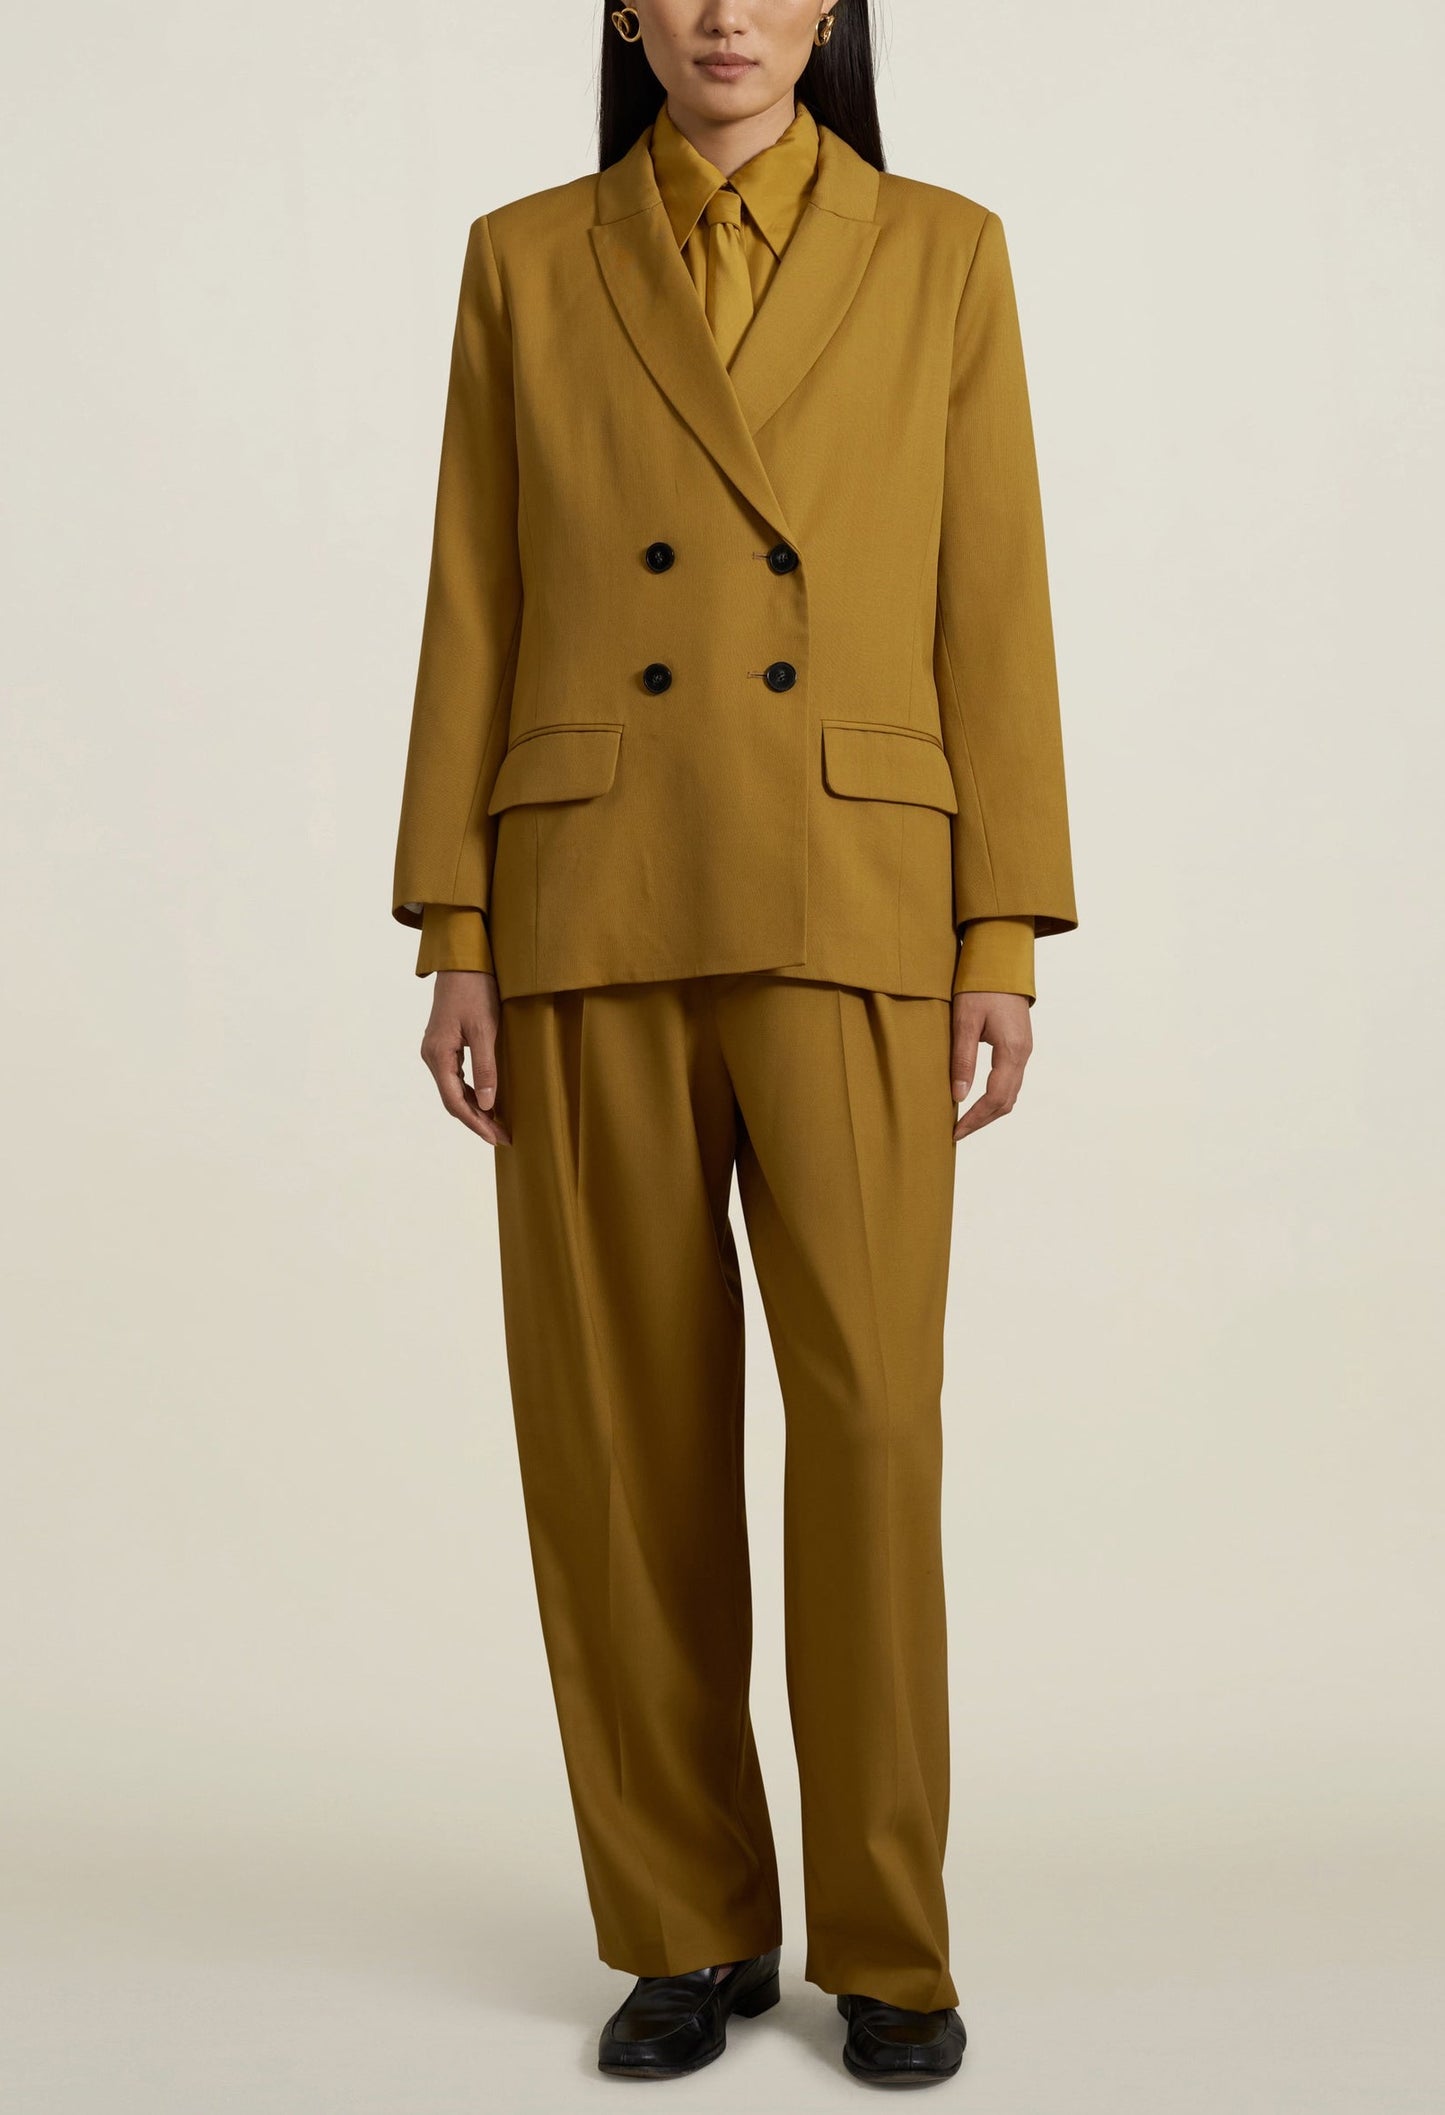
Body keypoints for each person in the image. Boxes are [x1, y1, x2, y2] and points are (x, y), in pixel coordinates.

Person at [391, 0, 1075, 2088]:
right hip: (587, 882)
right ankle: (684, 1925)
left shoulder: (942, 250)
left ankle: (887, 1939)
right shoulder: (526, 256)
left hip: (856, 887)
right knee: (622, 1442)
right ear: (624, 9)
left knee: (868, 1429)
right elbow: (476, 593)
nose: (722, 13)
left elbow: (991, 596)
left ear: (830, 11)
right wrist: (454, 920)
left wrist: (998, 925)